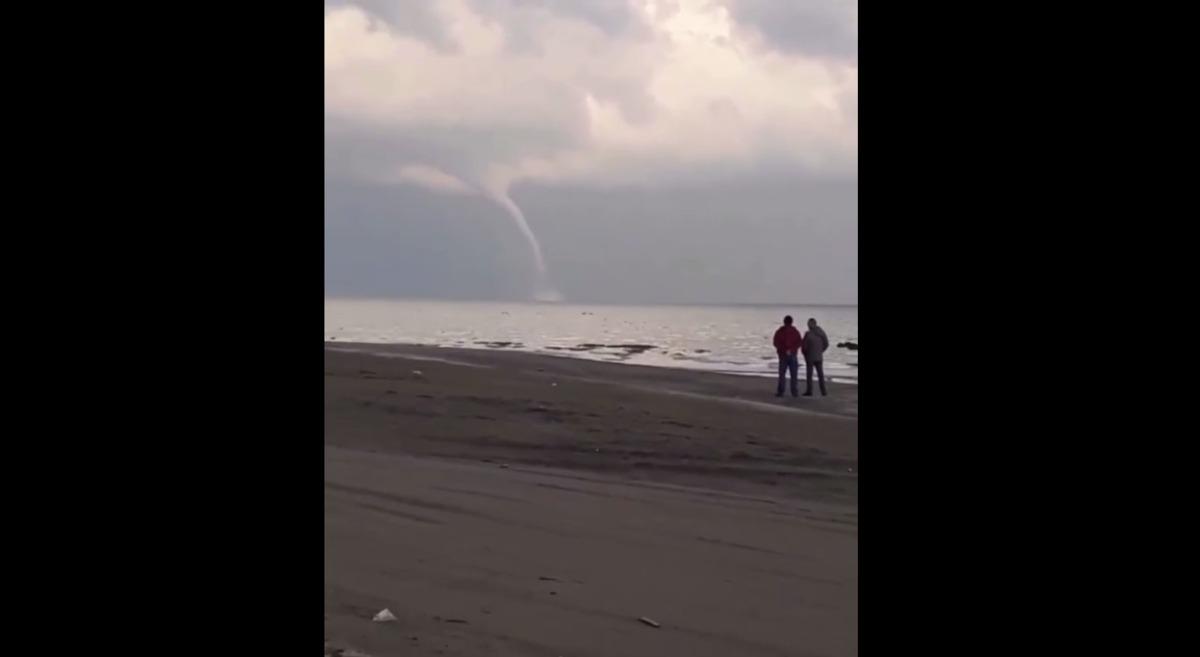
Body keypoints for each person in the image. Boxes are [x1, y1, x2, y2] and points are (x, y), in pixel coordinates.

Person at [773, 315, 803, 397]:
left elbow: (775, 342)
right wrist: (792, 350)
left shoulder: (780, 331)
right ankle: (794, 392)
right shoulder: (795, 331)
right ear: (791, 322)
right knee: (793, 374)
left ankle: (781, 391)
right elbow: (799, 342)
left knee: (782, 374)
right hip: (791, 355)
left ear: (784, 322)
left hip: (783, 355)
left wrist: (784, 350)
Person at [802, 317, 830, 396]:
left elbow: (804, 346)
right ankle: (823, 391)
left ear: (812, 324)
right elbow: (826, 344)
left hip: (811, 356)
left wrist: (805, 353)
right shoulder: (821, 332)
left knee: (811, 375)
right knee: (820, 375)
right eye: (808, 324)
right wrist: (821, 351)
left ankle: (810, 391)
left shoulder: (809, 334)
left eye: (809, 324)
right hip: (818, 356)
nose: (808, 325)